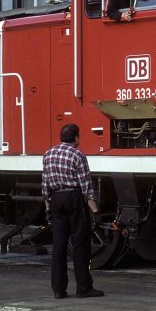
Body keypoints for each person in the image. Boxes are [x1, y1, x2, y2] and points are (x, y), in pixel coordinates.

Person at [41, 123, 104, 298]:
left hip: (56, 199)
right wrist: (95, 211)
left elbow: (45, 183)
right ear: (76, 137)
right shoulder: (78, 155)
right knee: (80, 243)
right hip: (73, 198)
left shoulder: (48, 154)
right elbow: (86, 187)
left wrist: (48, 207)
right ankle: (84, 288)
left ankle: (58, 290)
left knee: (59, 245)